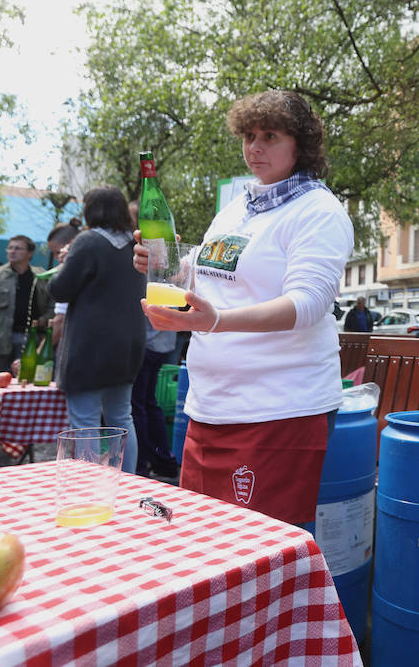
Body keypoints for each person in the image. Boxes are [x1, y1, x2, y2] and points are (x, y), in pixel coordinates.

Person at [137, 90, 353, 525]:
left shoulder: (319, 211)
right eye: (248, 135)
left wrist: (216, 321)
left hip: (276, 410)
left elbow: (307, 304)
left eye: (270, 136)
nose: (254, 147)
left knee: (257, 558)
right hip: (209, 405)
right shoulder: (238, 208)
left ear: (301, 144)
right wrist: (171, 272)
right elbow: (213, 280)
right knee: (203, 544)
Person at [45, 187, 144, 474]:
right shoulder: (135, 244)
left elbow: (59, 290)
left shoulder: (88, 241)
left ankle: (90, 487)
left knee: (85, 421)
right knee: (122, 418)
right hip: (128, 345)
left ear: (91, 210)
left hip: (89, 347)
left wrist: (64, 261)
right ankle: (129, 482)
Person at [128, 199, 181, 479]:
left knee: (138, 404)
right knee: (148, 402)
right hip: (163, 341)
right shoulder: (163, 252)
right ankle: (162, 461)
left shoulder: (155, 255)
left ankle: (141, 464)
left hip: (149, 341)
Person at [0, 234, 54, 375]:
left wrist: (45, 319)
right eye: (10, 248)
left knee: (27, 382)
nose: (12, 251)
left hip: (31, 340)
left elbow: (54, 304)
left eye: (18, 248)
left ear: (30, 253)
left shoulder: (41, 277)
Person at [44, 219, 81, 350]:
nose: (56, 258)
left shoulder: (73, 271)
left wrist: (38, 353)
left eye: (57, 252)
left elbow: (60, 319)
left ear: (70, 245)